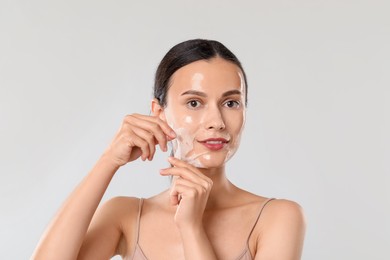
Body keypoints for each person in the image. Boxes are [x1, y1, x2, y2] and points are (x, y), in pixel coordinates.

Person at [32, 39, 306, 260]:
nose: (217, 122)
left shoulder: (277, 217)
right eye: (194, 103)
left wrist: (191, 228)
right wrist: (109, 161)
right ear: (159, 113)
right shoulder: (125, 214)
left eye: (231, 103)